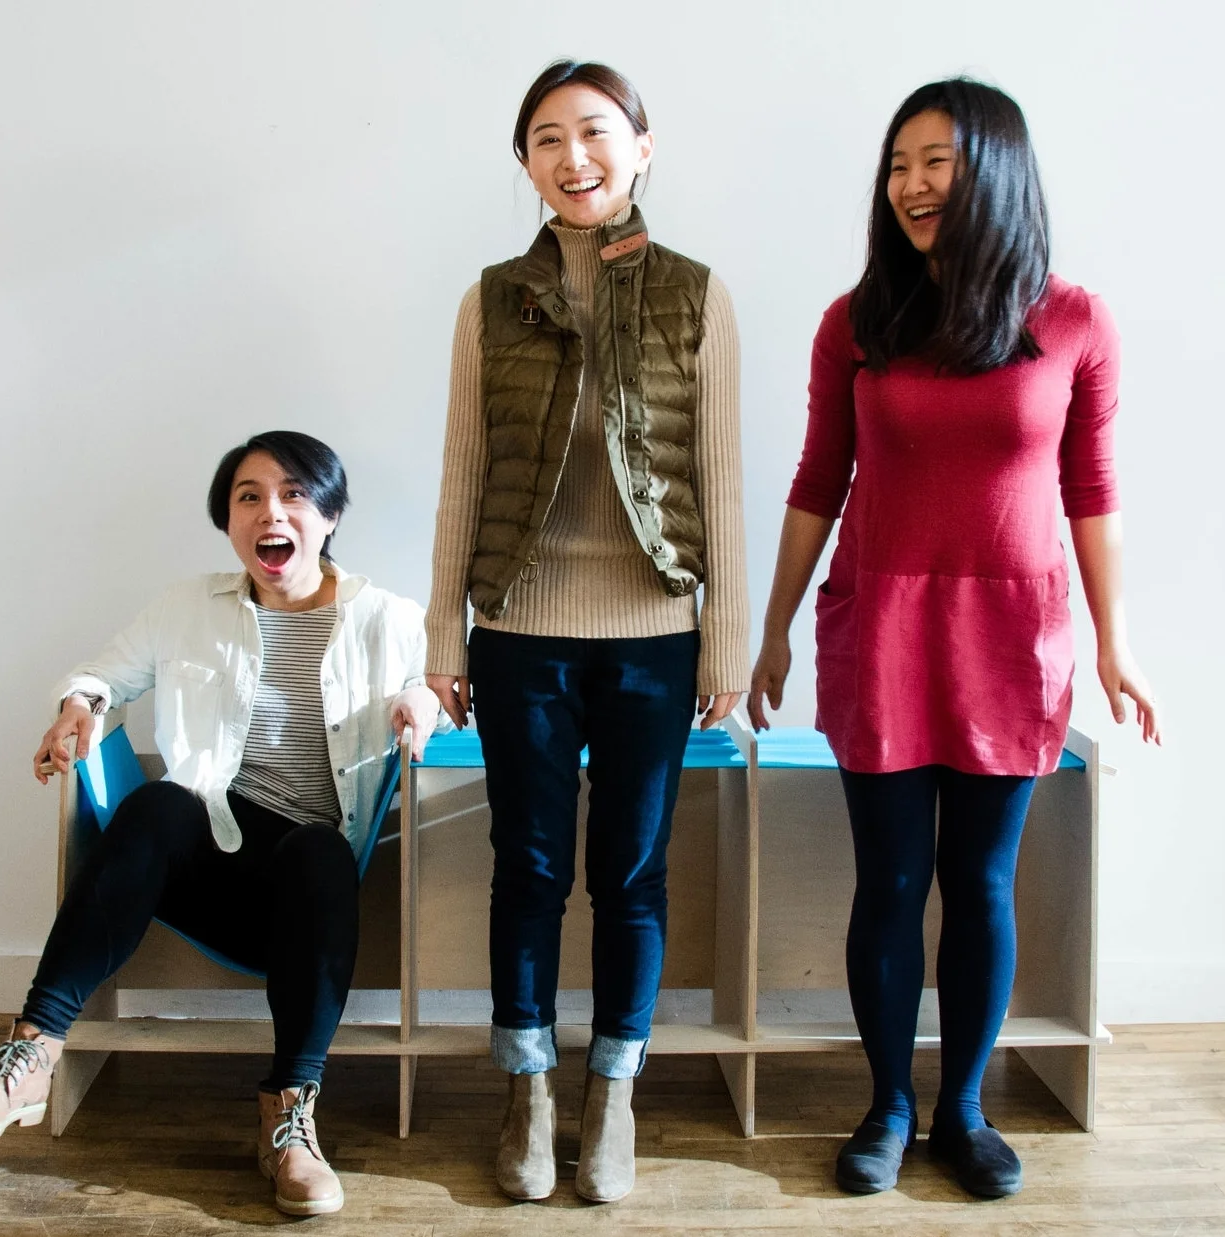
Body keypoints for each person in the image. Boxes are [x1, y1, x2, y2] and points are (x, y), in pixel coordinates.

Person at [749, 79, 1160, 1199]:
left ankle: (963, 1109)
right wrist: (774, 626)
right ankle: (886, 1103)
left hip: (1013, 630)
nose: (914, 185)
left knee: (980, 882)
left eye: (939, 161)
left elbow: (1092, 488)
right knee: (888, 879)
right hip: (879, 621)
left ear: (997, 170)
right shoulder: (857, 321)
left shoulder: (1074, 319)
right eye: (899, 164)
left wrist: (1116, 643)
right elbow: (815, 479)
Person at [0, 430, 440, 1218]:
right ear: (228, 520)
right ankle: (30, 1055)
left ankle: (290, 1116)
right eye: (248, 496)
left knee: (318, 851)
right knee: (161, 802)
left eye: (294, 493)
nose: (270, 511)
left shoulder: (388, 616)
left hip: (308, 889)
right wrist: (79, 704)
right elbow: (104, 672)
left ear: (331, 512)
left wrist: (422, 702)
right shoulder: (184, 607)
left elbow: (432, 680)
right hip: (206, 856)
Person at [425, 59, 748, 1204]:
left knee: (632, 873)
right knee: (529, 864)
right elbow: (463, 471)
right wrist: (444, 635)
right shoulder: (490, 298)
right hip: (519, 626)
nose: (576, 157)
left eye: (598, 133)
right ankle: (528, 1087)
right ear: (525, 162)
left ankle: (612, 1092)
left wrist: (727, 635)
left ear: (642, 146)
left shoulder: (695, 293)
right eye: (550, 139)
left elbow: (720, 476)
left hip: (655, 628)